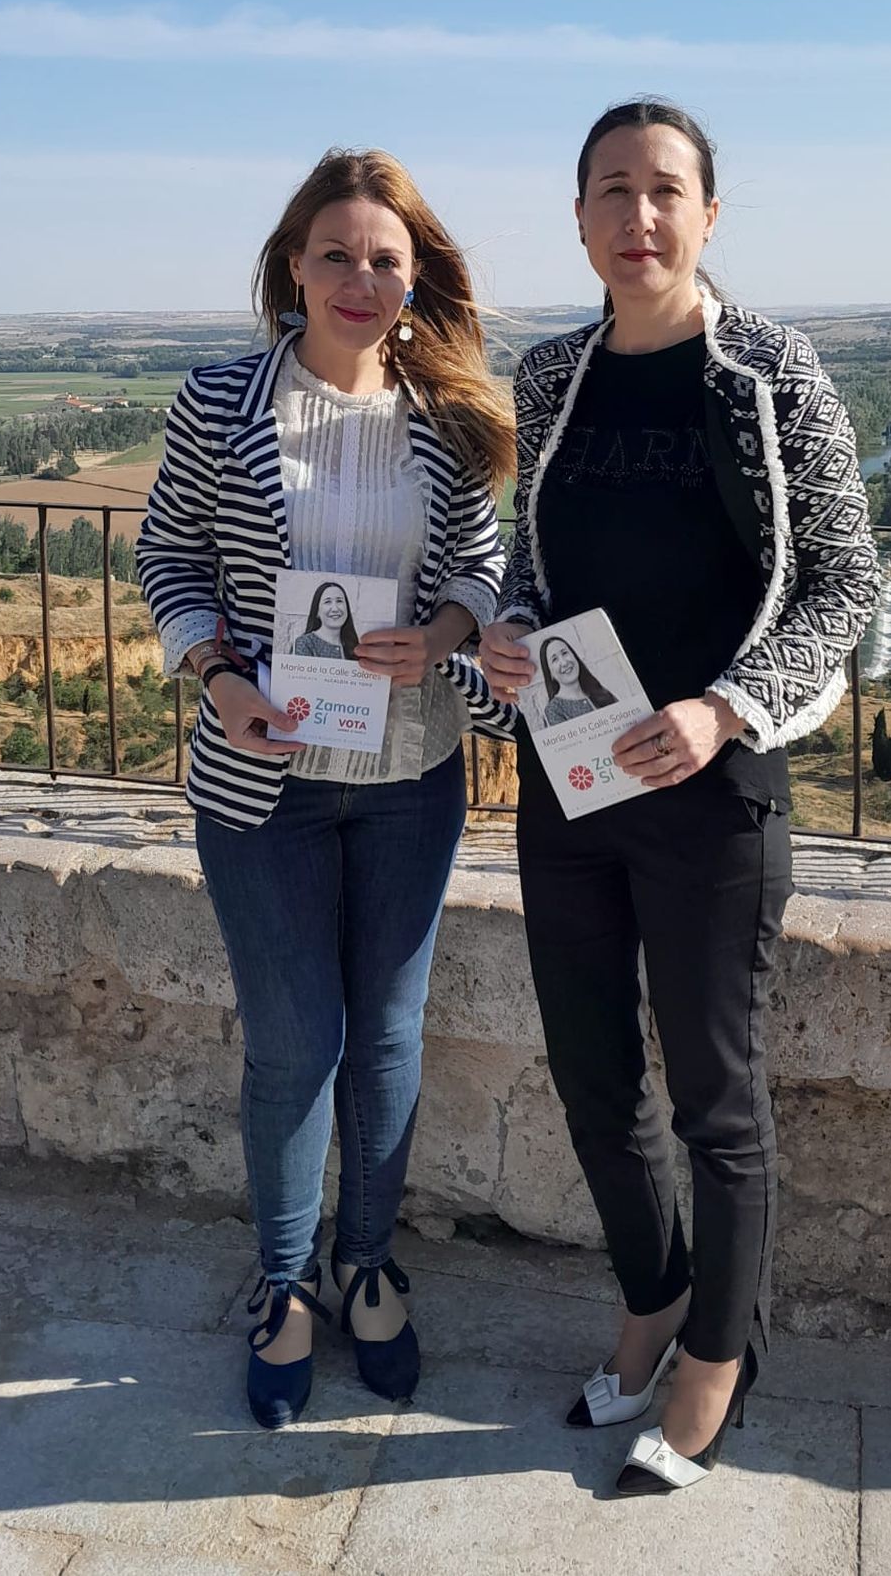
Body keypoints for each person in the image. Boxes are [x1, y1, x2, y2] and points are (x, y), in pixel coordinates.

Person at [479, 99, 879, 1495]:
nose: (637, 217)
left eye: (665, 191)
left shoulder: (770, 371)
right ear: (578, 218)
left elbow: (845, 584)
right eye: (611, 191)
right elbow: (533, 561)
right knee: (595, 1076)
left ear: (710, 214)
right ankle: (648, 1302)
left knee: (715, 1098)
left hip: (714, 797)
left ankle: (717, 1355)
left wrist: (726, 709)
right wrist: (511, 629)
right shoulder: (549, 376)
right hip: (571, 782)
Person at [139, 148, 513, 1428]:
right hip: (262, 783)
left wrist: (451, 631)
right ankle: (287, 1282)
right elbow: (169, 547)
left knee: (390, 1036)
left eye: (387, 260)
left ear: (417, 280)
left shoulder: (446, 417)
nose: (362, 279)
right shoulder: (218, 401)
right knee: (296, 1043)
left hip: (410, 777)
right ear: (291, 265)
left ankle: (369, 1264)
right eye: (337, 254)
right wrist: (215, 673)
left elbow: (481, 564)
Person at [537, 634, 617, 726]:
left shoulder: (599, 691)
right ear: (550, 672)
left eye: (564, 653)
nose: (564, 663)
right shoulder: (554, 709)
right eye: (554, 659)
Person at [292, 580, 359, 658]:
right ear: (317, 611)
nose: (335, 609)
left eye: (339, 601)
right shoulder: (305, 643)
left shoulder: (354, 645)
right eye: (327, 602)